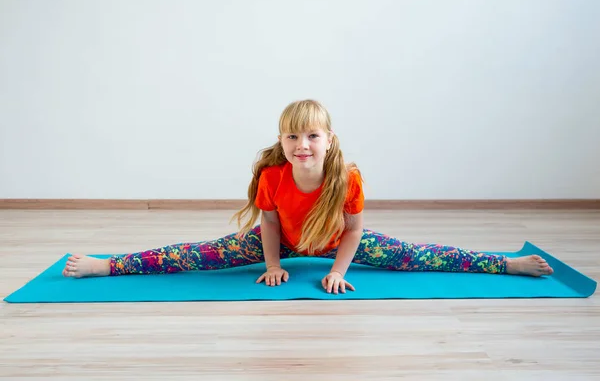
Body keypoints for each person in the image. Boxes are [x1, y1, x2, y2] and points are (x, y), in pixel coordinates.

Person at [62, 99, 554, 294]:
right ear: (282, 142)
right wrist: (275, 265)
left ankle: (506, 264)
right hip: (284, 242)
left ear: (329, 140)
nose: (302, 146)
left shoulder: (347, 178)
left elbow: (355, 230)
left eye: (312, 137)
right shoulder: (273, 176)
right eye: (293, 138)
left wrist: (337, 270)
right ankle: (110, 265)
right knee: (196, 255)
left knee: (419, 256)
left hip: (332, 241)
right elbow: (270, 225)